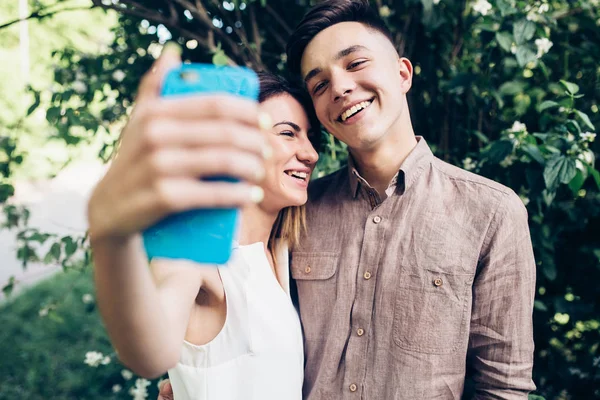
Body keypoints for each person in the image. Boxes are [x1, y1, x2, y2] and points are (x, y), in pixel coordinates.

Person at [160, 0, 537, 399]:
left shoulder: (491, 213)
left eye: (355, 64)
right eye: (319, 84)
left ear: (403, 72)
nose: (339, 87)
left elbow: (502, 388)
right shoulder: (296, 214)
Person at [88, 43, 320, 399]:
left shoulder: (280, 253)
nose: (311, 153)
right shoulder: (198, 257)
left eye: (308, 136)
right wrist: (111, 238)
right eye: (288, 133)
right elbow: (151, 352)